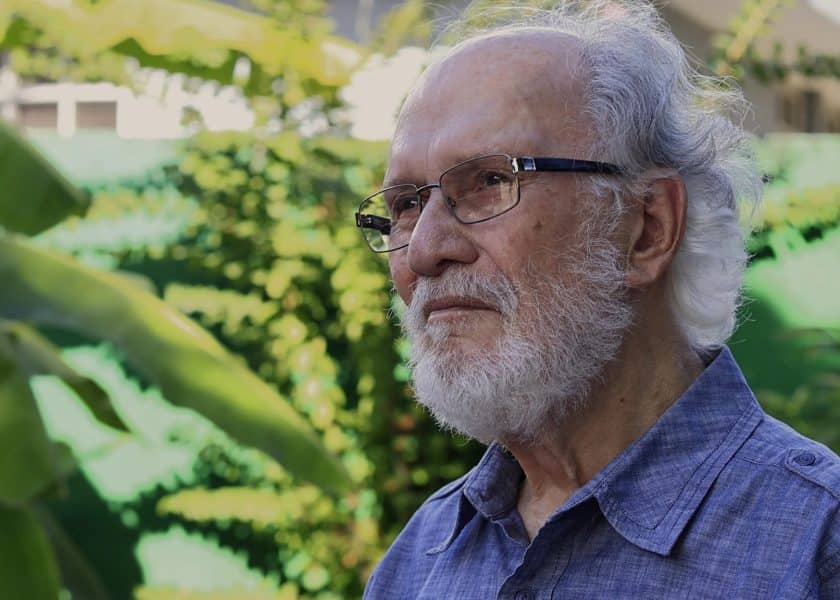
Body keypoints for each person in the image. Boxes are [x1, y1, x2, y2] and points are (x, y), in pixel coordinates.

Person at [354, 1, 840, 598]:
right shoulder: (421, 559)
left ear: (647, 227)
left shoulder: (818, 547)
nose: (424, 250)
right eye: (405, 204)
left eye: (488, 182)